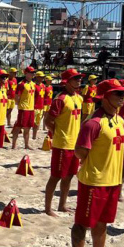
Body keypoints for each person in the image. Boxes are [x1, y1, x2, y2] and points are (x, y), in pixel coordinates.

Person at [71, 79, 124, 247]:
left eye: (123, 93)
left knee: (103, 222)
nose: (123, 97)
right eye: (118, 93)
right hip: (94, 180)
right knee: (82, 223)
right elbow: (80, 151)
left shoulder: (119, 120)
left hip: (113, 180)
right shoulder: (93, 123)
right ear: (105, 96)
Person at [44, 69, 84, 216]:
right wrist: (57, 133)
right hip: (62, 144)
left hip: (74, 144)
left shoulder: (79, 98)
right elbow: (48, 120)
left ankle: (62, 205)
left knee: (69, 176)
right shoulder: (60, 99)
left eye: (79, 78)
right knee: (55, 176)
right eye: (75, 78)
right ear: (67, 82)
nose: (79, 81)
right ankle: (48, 208)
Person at [11, 66, 37, 149]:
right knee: (18, 126)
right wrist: (19, 105)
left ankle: (26, 145)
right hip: (24, 108)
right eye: (31, 73)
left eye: (33, 73)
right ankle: (14, 144)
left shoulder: (33, 84)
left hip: (31, 108)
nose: (33, 74)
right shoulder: (21, 84)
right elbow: (16, 96)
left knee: (28, 128)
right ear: (26, 73)